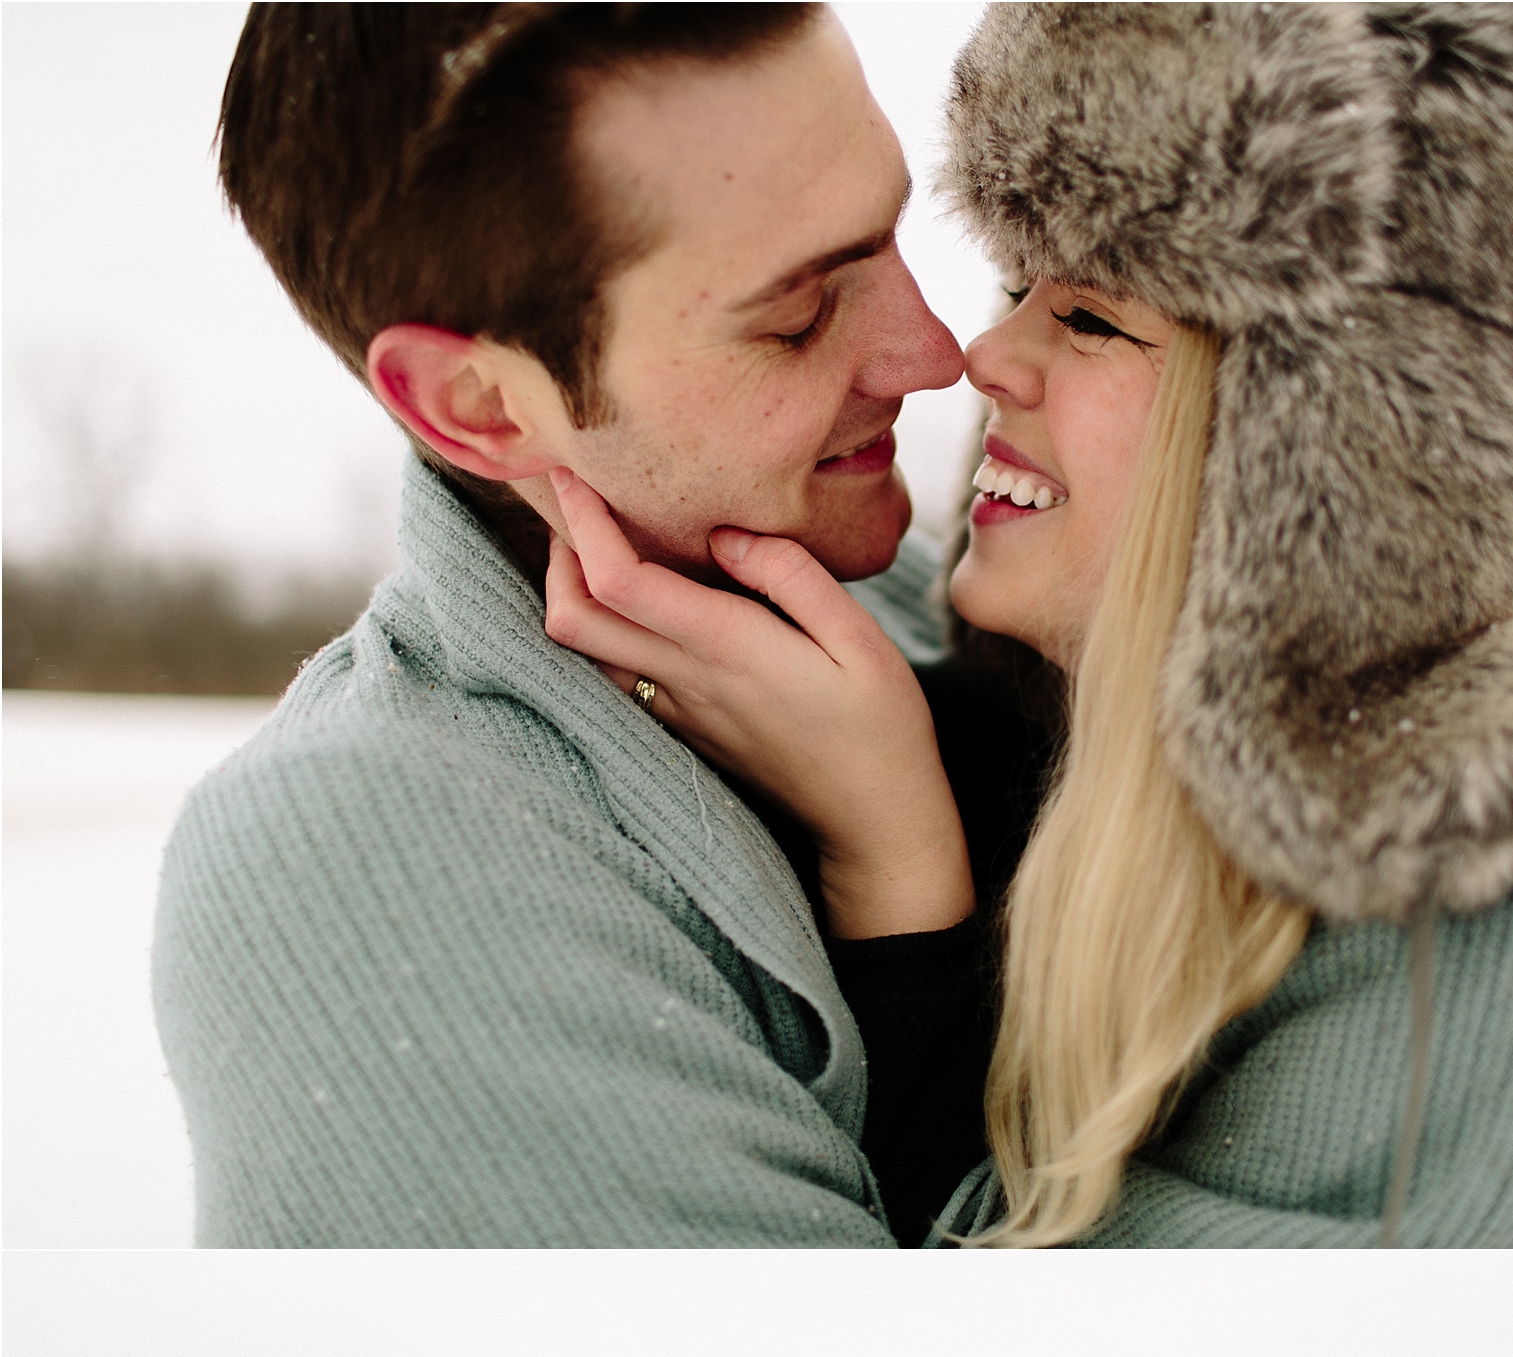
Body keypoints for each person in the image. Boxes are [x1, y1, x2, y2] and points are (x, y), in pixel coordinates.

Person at [548, 1, 1513, 1248]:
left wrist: (898, 882)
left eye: (1094, 316)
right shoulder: (1070, 755)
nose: (975, 356)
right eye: (1015, 283)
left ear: (1338, 448)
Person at [153, 4, 993, 1250]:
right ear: (481, 405)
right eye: (797, 316)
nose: (935, 353)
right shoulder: (357, 856)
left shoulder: (951, 595)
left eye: (888, 233)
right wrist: (902, 882)